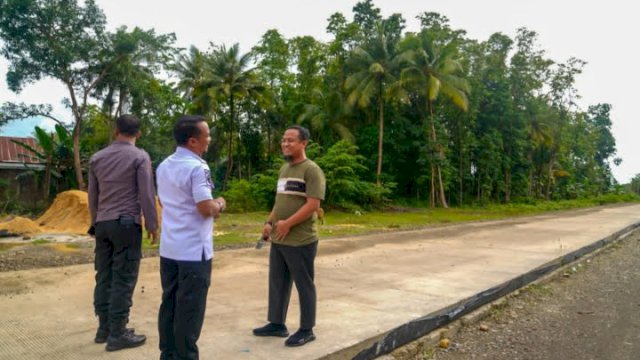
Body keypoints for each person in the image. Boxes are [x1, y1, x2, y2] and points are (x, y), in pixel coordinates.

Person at [156, 115, 226, 360]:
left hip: (170, 248)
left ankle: (168, 353)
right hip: (194, 251)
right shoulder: (198, 167)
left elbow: (165, 202)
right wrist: (220, 203)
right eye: (206, 135)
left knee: (170, 303)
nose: (209, 139)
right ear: (193, 141)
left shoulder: (163, 165)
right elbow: (205, 208)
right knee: (190, 309)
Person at [88, 114, 158, 352]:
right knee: (124, 278)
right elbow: (146, 193)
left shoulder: (97, 158)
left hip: (103, 224)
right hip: (127, 224)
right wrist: (152, 223)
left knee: (104, 275)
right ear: (138, 133)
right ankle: (118, 333)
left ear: (116, 130)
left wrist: (95, 222)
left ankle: (103, 329)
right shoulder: (140, 157)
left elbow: (93, 196)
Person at [253, 125, 326, 347]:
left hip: (301, 240)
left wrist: (288, 224)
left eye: (291, 140)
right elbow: (280, 201)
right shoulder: (284, 169)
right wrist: (270, 223)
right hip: (280, 237)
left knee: (304, 284)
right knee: (278, 282)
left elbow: (313, 204)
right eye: (283, 140)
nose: (285, 144)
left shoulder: (312, 170)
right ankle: (277, 324)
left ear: (303, 143)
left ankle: (306, 329)